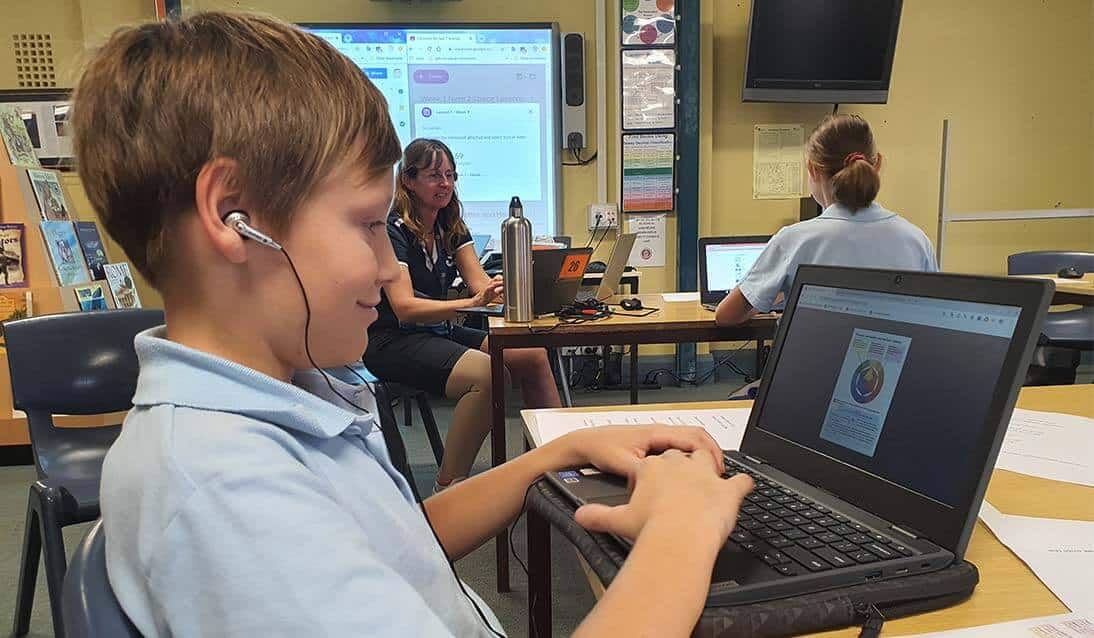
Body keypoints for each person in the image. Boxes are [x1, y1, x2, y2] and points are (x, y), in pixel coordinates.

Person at [71, 12, 753, 637]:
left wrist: (556, 454)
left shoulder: (292, 393)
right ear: (232, 217)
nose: (383, 265)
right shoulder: (224, 492)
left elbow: (397, 541)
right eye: (367, 224)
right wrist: (684, 532)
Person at [365, 138, 561, 490]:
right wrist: (470, 304)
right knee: (487, 375)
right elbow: (405, 308)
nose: (445, 184)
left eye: (450, 175)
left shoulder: (449, 224)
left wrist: (512, 288)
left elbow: (478, 283)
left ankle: (558, 463)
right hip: (392, 339)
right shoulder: (393, 231)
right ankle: (448, 485)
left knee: (531, 355)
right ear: (408, 180)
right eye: (434, 175)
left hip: (436, 331)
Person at [716, 114, 938, 327]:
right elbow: (931, 313)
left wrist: (766, 298)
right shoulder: (916, 240)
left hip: (812, 355)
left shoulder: (794, 240)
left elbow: (727, 315)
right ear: (877, 164)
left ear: (812, 169)